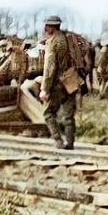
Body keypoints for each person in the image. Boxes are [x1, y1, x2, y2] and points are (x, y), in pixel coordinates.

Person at [39, 15, 81, 149]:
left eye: (47, 26)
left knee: (48, 113)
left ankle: (58, 141)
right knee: (68, 115)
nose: (45, 28)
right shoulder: (69, 40)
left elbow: (49, 69)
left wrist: (44, 89)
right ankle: (70, 142)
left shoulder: (52, 43)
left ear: (51, 27)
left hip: (57, 84)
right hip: (72, 80)